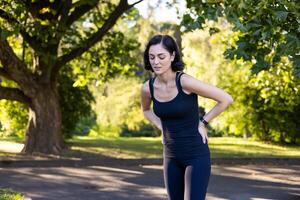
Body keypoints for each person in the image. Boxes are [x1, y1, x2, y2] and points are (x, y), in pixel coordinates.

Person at [140, 34, 233, 200]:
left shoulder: (185, 82)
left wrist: (203, 122)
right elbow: (146, 110)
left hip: (196, 155)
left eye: (161, 56)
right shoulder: (148, 88)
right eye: (152, 57)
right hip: (170, 156)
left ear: (172, 56)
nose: (156, 62)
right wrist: (162, 126)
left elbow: (225, 99)